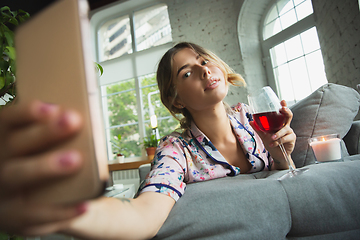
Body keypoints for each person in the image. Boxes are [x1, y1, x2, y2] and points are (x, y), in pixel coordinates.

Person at [0, 42, 296, 239]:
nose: (204, 70)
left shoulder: (252, 117)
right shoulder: (176, 149)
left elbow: (290, 179)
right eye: (187, 73)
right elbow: (142, 214)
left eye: (204, 61)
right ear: (176, 100)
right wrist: (68, 211)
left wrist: (282, 154)